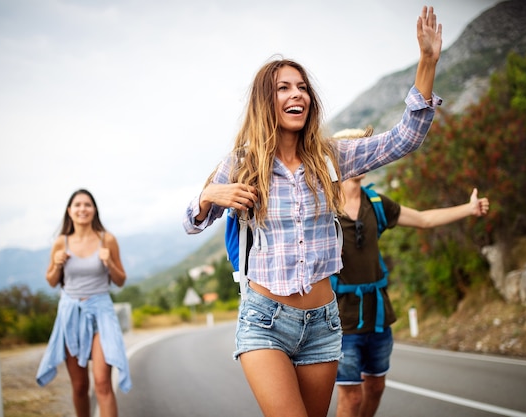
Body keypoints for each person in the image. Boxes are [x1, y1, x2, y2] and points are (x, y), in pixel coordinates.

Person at [183, 6, 443, 417]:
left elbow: (405, 139)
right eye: (284, 88)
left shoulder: (331, 158)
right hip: (264, 321)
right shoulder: (241, 162)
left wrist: (427, 63)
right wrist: (207, 195)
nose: (296, 95)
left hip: (323, 322)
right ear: (265, 100)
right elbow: (192, 223)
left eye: (302, 87)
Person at [331, 128, 490, 417]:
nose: (363, 155)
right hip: (341, 322)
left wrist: (468, 209)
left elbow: (424, 219)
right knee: (351, 398)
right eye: (355, 150)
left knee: (376, 388)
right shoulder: (322, 208)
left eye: (365, 149)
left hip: (379, 316)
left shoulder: (376, 203)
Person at [36, 189, 131, 417]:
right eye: (77, 205)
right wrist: (57, 265)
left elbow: (120, 280)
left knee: (102, 383)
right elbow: (51, 281)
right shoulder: (61, 242)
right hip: (71, 313)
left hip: (101, 312)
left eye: (87, 205)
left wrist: (109, 262)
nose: (82, 209)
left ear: (94, 209)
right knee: (79, 387)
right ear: (69, 211)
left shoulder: (106, 239)